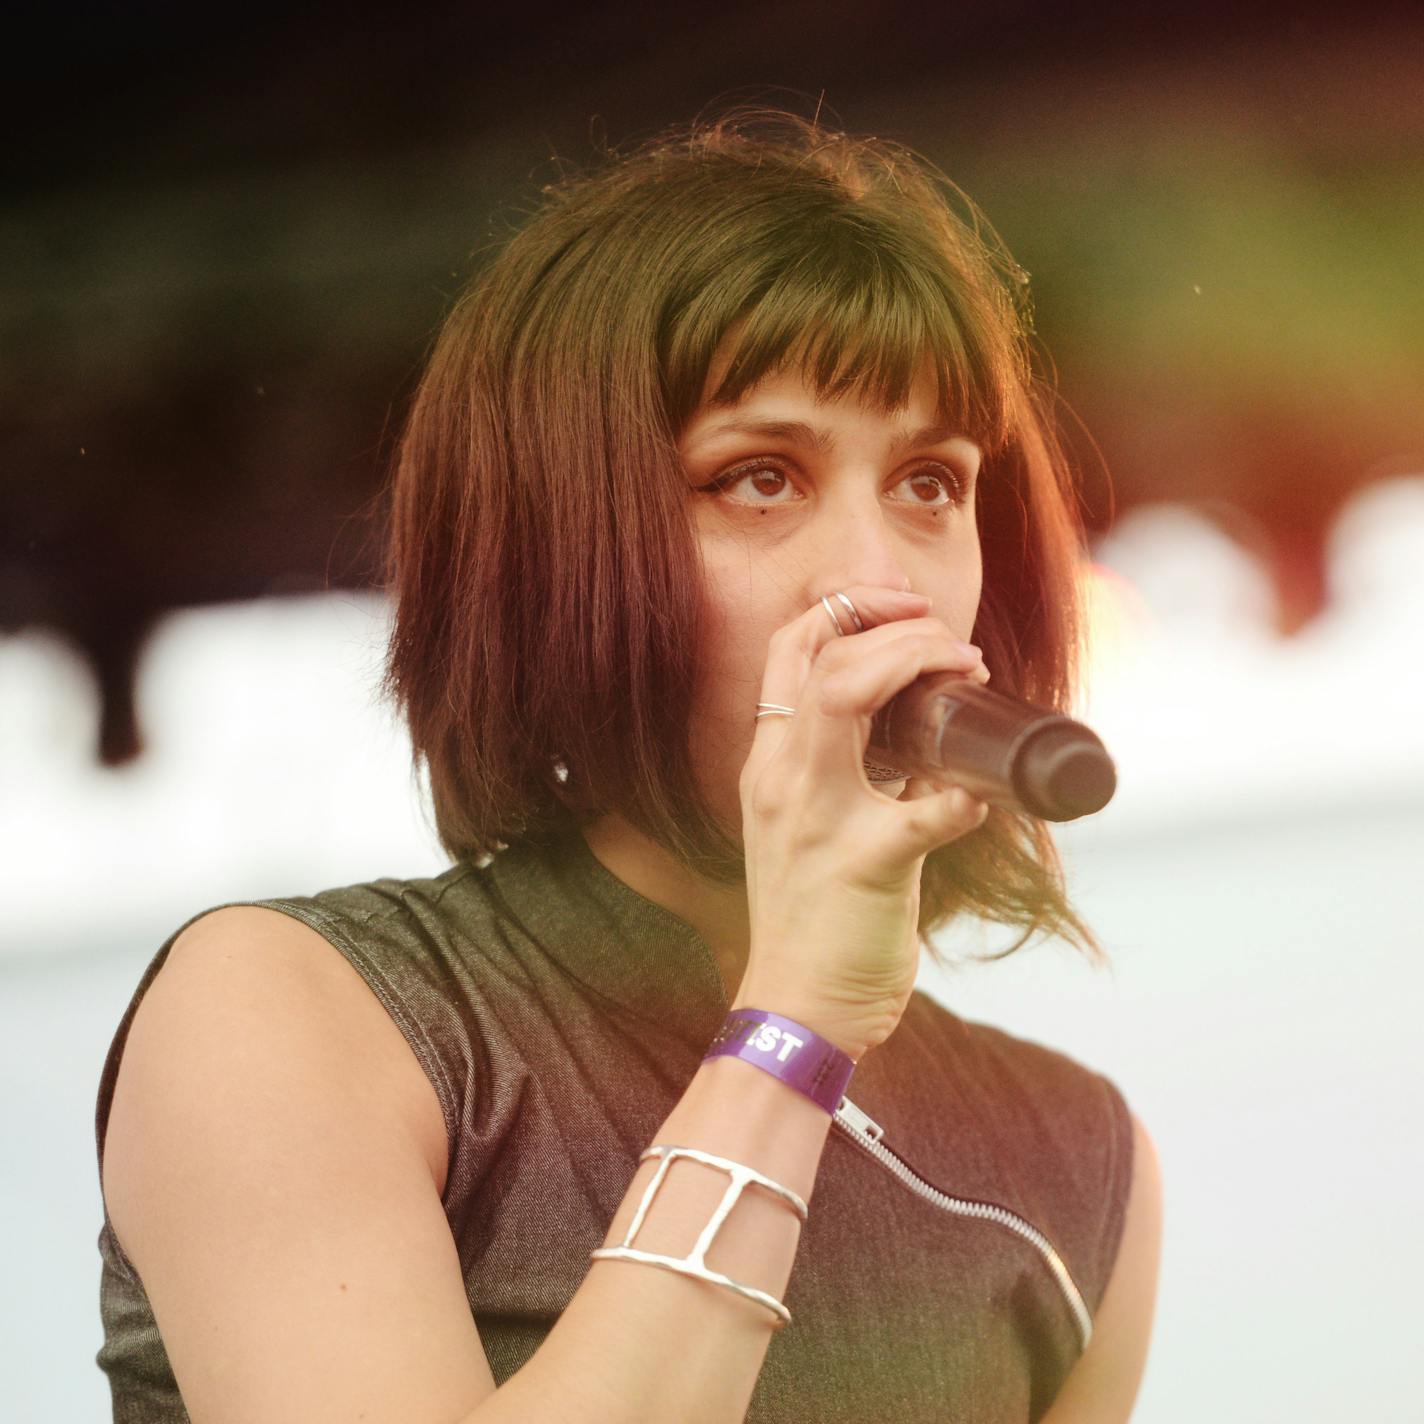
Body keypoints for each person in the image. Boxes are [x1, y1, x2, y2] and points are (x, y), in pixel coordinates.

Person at [93, 107, 1162, 1423]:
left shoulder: (1072, 1161)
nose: (880, 580)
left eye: (931, 483)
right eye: (758, 478)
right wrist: (797, 1027)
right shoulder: (301, 1016)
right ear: (558, 555)